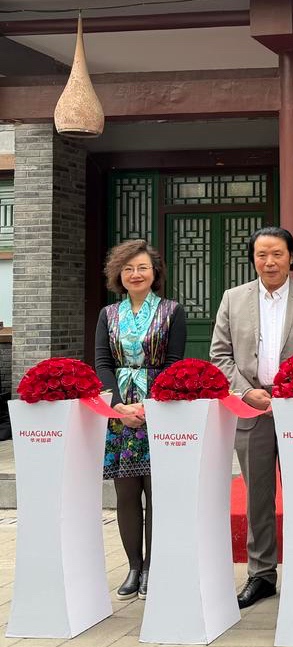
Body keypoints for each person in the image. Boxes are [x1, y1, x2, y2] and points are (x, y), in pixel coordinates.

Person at [210, 226, 293, 609]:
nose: (270, 261)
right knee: (258, 497)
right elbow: (220, 355)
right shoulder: (233, 299)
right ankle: (261, 574)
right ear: (253, 259)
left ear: (291, 256)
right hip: (252, 409)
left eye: (277, 253)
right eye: (262, 254)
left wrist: (291, 391)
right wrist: (246, 392)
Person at [95, 239, 187, 601]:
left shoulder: (172, 311)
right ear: (119, 274)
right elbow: (102, 362)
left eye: (142, 267)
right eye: (128, 268)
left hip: (158, 409)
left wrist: (149, 405)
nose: (136, 274)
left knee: (157, 491)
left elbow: (174, 363)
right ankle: (134, 566)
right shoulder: (108, 314)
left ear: (155, 272)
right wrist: (119, 406)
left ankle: (153, 565)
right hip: (120, 413)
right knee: (127, 493)